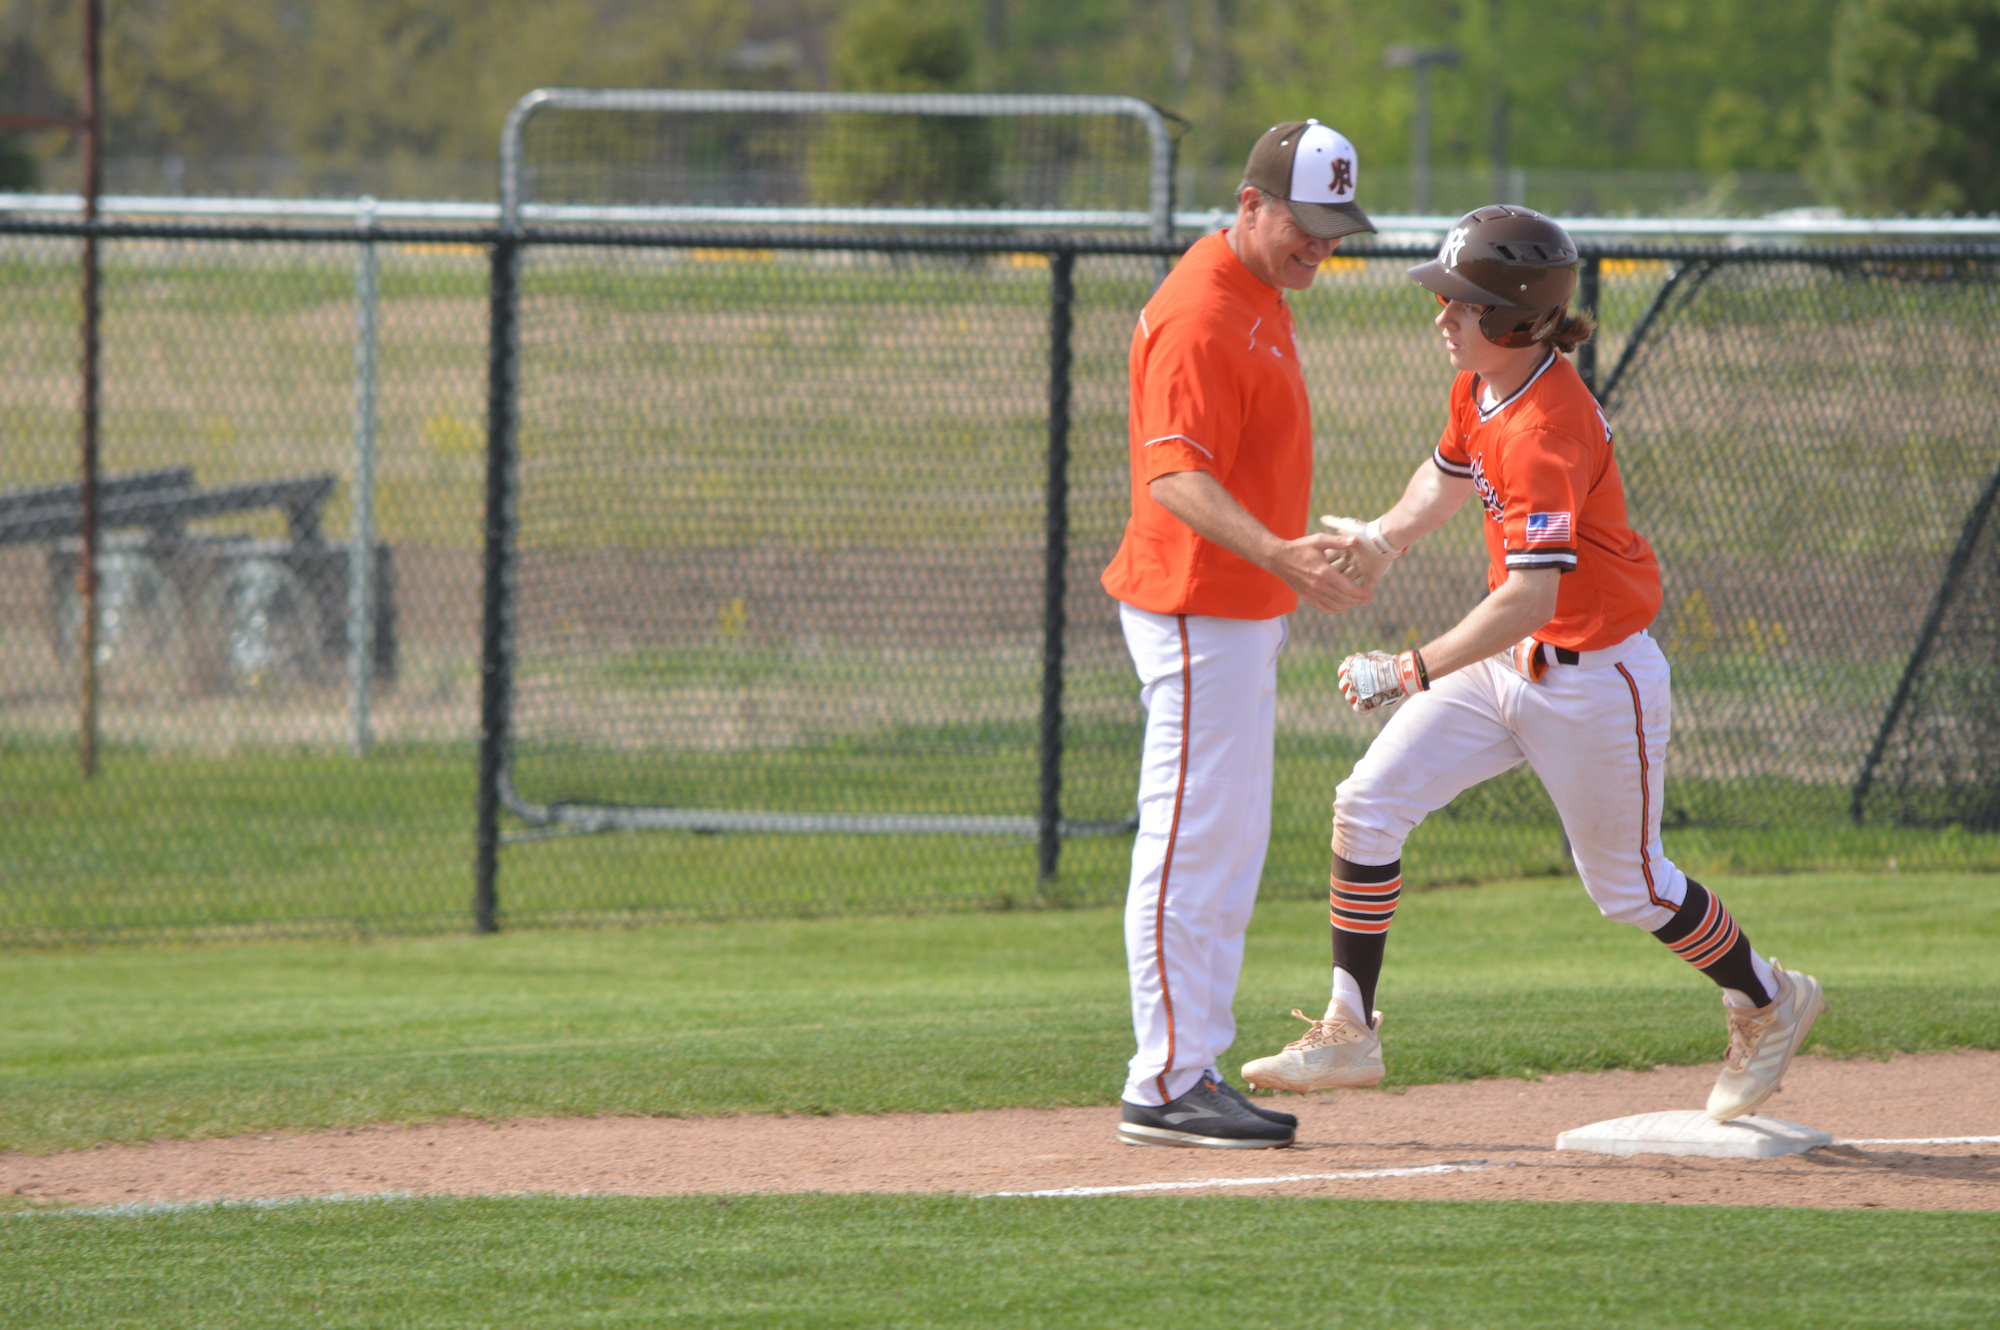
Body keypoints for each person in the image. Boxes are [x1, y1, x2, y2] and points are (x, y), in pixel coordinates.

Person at [1240, 205, 1825, 1124]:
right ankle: (1349, 1026)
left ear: (1513, 320)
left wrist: (1408, 668)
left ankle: (1768, 995)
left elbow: (1531, 597)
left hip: (1596, 678)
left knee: (1631, 889)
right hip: (1507, 665)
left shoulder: (1544, 428)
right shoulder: (1484, 385)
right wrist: (1384, 539)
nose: (1441, 317)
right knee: (1366, 805)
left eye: (1460, 305)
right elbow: (1446, 473)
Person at [1102, 120, 1376, 1150]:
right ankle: (1165, 1079)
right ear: (1250, 202)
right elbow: (1172, 476)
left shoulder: (1257, 293)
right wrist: (1275, 550)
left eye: (1333, 227)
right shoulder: (1202, 311)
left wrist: (1293, 549)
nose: (1320, 244)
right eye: (1304, 223)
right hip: (1193, 604)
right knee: (1188, 845)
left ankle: (1188, 1068)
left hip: (1234, 607)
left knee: (1227, 844)